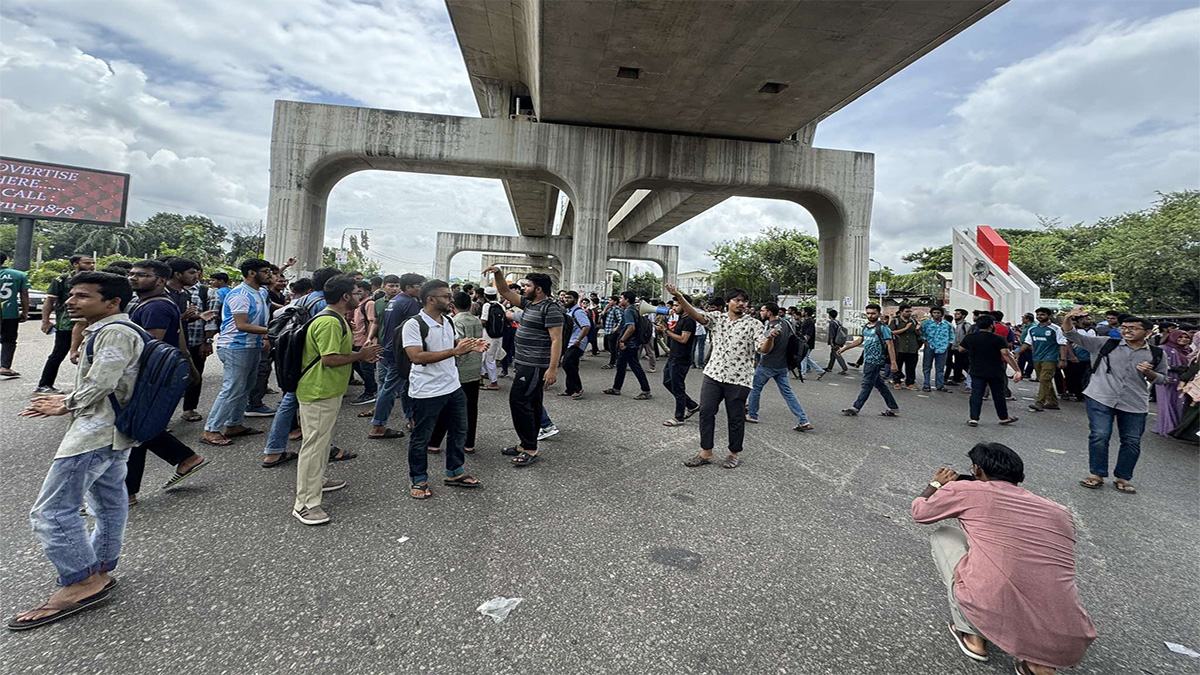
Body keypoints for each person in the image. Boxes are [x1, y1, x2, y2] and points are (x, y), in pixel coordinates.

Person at [10, 271, 140, 630]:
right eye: (72, 295)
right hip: (114, 432)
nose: (71, 301)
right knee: (108, 504)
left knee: (52, 511)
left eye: (83, 296)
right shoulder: (111, 329)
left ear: (112, 302)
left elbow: (104, 381)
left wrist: (66, 403)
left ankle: (81, 581)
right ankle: (100, 567)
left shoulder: (114, 331)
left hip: (93, 434)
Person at [911, 443, 1096, 674]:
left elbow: (920, 512)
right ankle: (1037, 664)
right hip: (1070, 630)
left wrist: (936, 484)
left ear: (977, 471)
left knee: (944, 536)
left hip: (988, 601)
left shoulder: (965, 490)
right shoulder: (1059, 512)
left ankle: (972, 635)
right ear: (1021, 476)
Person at [292, 276, 382, 525]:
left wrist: (359, 356)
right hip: (319, 390)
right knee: (314, 446)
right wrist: (360, 355)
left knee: (321, 441)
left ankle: (317, 482)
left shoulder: (334, 318)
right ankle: (306, 503)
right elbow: (329, 358)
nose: (360, 296)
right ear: (345, 297)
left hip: (326, 390)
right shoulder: (330, 322)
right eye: (356, 292)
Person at [1064, 311, 1168, 494]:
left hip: (1134, 402)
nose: (1127, 331)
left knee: (1132, 441)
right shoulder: (1105, 343)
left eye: (1133, 328)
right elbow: (1071, 334)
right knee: (1100, 435)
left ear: (1148, 332)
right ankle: (1096, 474)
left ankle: (1123, 477)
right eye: (1124, 328)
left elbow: (1162, 379)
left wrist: (1149, 373)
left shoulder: (1156, 353)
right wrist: (1067, 318)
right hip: (1100, 396)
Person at [262, 267, 356, 466]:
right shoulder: (325, 306)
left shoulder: (304, 298)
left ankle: (275, 448)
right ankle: (319, 451)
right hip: (312, 370)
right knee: (308, 417)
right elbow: (327, 352)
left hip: (296, 361)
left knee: (289, 403)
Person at [404, 282, 487, 498]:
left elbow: (452, 343)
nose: (451, 299)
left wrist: (470, 344)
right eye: (446, 296)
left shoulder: (448, 320)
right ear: (431, 299)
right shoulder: (414, 324)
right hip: (426, 391)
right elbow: (416, 356)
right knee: (421, 437)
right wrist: (454, 351)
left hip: (452, 386)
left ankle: (454, 471)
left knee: (460, 430)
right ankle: (419, 479)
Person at [668, 285, 762, 470]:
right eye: (737, 300)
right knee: (706, 412)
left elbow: (763, 348)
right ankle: (706, 452)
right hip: (713, 374)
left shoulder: (754, 324)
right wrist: (678, 295)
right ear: (728, 302)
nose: (741, 303)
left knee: (735, 417)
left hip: (739, 379)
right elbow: (695, 315)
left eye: (744, 301)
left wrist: (771, 339)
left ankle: (733, 453)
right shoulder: (717, 318)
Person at [482, 266, 562, 467]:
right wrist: (498, 273)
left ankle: (529, 448)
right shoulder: (529, 304)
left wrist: (552, 369)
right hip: (524, 363)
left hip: (534, 365)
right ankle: (526, 444)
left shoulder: (550, 308)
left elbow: (556, 340)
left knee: (519, 401)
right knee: (532, 404)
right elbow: (505, 292)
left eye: (527, 285)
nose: (523, 288)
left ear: (539, 289)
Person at [201, 259, 272, 446]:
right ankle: (211, 429)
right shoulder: (240, 294)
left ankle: (234, 424)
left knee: (245, 388)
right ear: (251, 273)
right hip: (235, 347)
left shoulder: (261, 292)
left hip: (251, 346)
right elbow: (242, 325)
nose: (270, 275)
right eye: (265, 271)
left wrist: (264, 337)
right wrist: (271, 332)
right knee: (232, 388)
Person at [369, 272, 426, 440]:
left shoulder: (393, 301)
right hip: (399, 353)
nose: (421, 289)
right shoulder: (410, 304)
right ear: (408, 288)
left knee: (405, 387)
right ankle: (378, 425)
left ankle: (411, 418)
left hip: (388, 349)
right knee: (390, 389)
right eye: (419, 286)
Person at [428, 291, 485, 455]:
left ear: (452, 305)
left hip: (458, 371)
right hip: (474, 369)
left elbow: (455, 347)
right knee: (471, 408)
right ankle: (469, 443)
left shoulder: (453, 321)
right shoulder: (476, 320)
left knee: (446, 407)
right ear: (470, 305)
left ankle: (434, 442)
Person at [747, 303, 813, 432]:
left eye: (763, 310)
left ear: (769, 313)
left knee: (755, 388)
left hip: (768, 364)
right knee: (788, 393)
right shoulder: (787, 323)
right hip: (783, 365)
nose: (761, 312)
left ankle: (752, 414)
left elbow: (763, 345)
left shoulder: (771, 327)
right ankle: (803, 419)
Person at [36, 254, 95, 393]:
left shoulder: (96, 279)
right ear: (75, 264)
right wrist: (45, 320)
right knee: (58, 353)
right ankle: (44, 384)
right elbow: (49, 301)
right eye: (87, 263)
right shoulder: (62, 280)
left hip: (90, 322)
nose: (91, 266)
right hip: (67, 323)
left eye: (93, 263)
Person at [838, 303, 900, 417]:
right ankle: (893, 407)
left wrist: (893, 362)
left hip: (876, 361)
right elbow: (860, 340)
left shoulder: (883, 328)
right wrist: (845, 348)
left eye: (873, 313)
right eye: (868, 313)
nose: (870, 315)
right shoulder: (866, 327)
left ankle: (856, 408)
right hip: (868, 359)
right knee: (880, 385)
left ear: (879, 314)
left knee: (866, 384)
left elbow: (890, 345)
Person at [958, 314, 1020, 426]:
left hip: (977, 369)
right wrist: (1017, 370)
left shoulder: (970, 337)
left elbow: (961, 349)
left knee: (976, 394)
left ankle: (974, 418)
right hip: (995, 370)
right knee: (998, 395)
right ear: (992, 325)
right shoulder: (998, 338)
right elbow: (1006, 354)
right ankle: (1003, 417)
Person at [602, 291, 653, 399]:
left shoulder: (629, 311)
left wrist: (623, 340)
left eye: (621, 298)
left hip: (629, 344)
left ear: (627, 300)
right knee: (621, 366)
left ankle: (646, 390)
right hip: (631, 342)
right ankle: (616, 388)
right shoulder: (633, 310)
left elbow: (631, 328)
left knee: (635, 366)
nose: (620, 300)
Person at [1019, 308, 1069, 412]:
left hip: (1050, 358)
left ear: (1048, 316)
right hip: (1037, 358)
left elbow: (1062, 344)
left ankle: (1039, 403)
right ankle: (1053, 402)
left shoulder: (1055, 329)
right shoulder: (1032, 329)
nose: (1039, 316)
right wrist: (1017, 353)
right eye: (1038, 314)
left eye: (1042, 314)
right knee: (1044, 380)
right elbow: (1027, 343)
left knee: (1045, 379)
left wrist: (1062, 359)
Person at [660, 294, 699, 427]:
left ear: (685, 305)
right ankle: (691, 405)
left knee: (678, 387)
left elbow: (683, 339)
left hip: (681, 358)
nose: (674, 307)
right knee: (667, 382)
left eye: (677, 305)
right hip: (674, 356)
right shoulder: (681, 318)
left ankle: (679, 417)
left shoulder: (689, 321)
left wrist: (666, 330)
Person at [1153, 330, 1190, 437]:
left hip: (1183, 379)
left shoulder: (1188, 350)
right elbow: (1157, 364)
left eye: (1186, 337)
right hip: (1168, 379)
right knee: (1168, 402)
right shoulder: (1163, 349)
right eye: (1180, 337)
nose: (1183, 339)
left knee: (1180, 403)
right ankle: (1168, 427)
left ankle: (1179, 427)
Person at [347, 280, 379, 406]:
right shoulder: (360, 304)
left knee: (367, 368)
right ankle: (371, 386)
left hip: (364, 341)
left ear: (366, 292)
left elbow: (372, 322)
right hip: (357, 339)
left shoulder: (369, 303)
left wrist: (369, 339)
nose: (357, 294)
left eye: (359, 291)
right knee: (356, 364)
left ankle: (369, 392)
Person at [0, 252, 31, 379]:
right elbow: (24, 295)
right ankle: (5, 366)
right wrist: (25, 312)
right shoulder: (19, 275)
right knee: (9, 340)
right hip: (9, 313)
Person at [560, 290, 590, 399]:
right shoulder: (569, 311)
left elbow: (586, 326)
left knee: (566, 363)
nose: (566, 300)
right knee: (572, 365)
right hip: (570, 342)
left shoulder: (578, 312)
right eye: (565, 298)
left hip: (576, 343)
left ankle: (578, 388)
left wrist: (578, 340)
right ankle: (570, 389)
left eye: (569, 298)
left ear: (576, 299)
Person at [919, 306, 954, 392]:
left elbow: (951, 336)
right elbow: (921, 334)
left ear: (941, 314)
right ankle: (926, 385)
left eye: (938, 313)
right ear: (931, 314)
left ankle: (940, 385)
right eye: (934, 313)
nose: (936, 314)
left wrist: (948, 345)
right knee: (927, 367)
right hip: (930, 347)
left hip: (942, 348)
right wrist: (926, 343)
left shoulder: (947, 325)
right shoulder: (926, 323)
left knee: (940, 368)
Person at [888, 305, 919, 390]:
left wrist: (918, 330)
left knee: (911, 367)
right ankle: (897, 382)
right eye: (906, 311)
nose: (909, 313)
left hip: (912, 348)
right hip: (899, 347)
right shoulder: (896, 321)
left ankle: (910, 383)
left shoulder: (913, 321)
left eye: (910, 311)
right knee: (898, 366)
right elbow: (891, 332)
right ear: (901, 312)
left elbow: (918, 334)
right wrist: (905, 328)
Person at [479, 286, 504, 390]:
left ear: (485, 295)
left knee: (489, 359)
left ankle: (494, 382)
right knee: (488, 357)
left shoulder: (486, 305)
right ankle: (483, 375)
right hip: (498, 336)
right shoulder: (501, 306)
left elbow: (484, 320)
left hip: (488, 335)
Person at [795, 307, 825, 380]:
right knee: (805, 358)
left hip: (807, 343)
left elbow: (808, 334)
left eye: (803, 311)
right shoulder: (807, 320)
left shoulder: (809, 321)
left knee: (804, 358)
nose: (802, 312)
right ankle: (819, 370)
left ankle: (803, 374)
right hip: (806, 342)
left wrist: (804, 343)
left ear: (806, 313)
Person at [946, 308, 970, 385]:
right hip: (955, 348)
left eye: (958, 314)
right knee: (958, 364)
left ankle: (958, 379)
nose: (955, 315)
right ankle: (958, 377)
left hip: (962, 349)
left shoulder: (965, 325)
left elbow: (968, 336)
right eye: (955, 313)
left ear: (963, 316)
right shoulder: (957, 325)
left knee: (962, 364)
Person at [823, 307, 849, 376]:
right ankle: (829, 367)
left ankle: (844, 368)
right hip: (838, 340)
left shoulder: (832, 323)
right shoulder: (837, 322)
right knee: (832, 355)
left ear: (830, 315)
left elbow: (832, 333)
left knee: (837, 354)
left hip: (835, 341)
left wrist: (831, 342)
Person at [601, 296, 622, 369]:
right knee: (611, 348)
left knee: (612, 348)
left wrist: (616, 328)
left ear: (615, 302)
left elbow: (621, 319)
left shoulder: (616, 309)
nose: (608, 302)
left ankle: (613, 363)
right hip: (608, 330)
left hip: (612, 331)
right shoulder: (609, 309)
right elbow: (601, 315)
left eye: (610, 300)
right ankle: (615, 361)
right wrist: (605, 308)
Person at [1017, 313, 1036, 380]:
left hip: (1029, 346)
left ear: (1027, 319)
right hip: (1023, 345)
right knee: (1021, 360)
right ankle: (1020, 373)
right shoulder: (1026, 326)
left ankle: (1029, 373)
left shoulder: (1032, 326)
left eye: (1023, 318)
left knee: (1031, 361)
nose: (1022, 319)